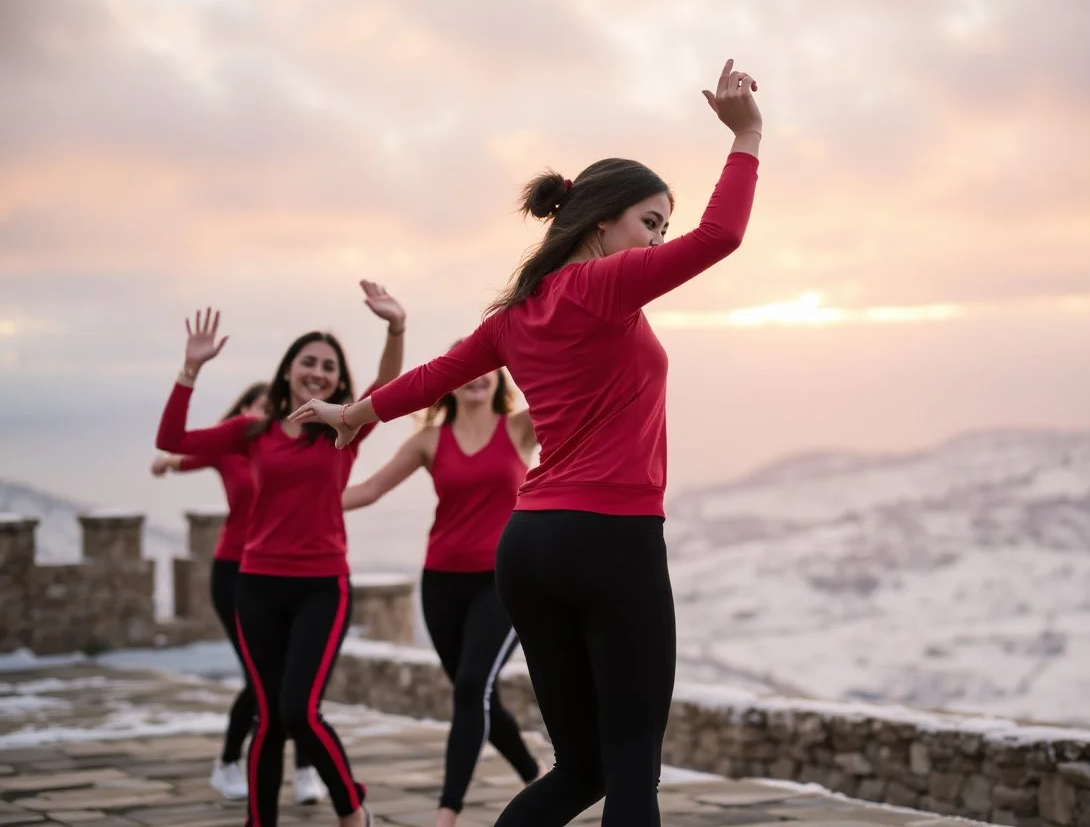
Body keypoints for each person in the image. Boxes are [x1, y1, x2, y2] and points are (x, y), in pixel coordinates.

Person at [290, 60, 762, 827]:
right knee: (633, 768)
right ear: (601, 220)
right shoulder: (602, 288)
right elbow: (724, 234)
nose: (658, 241)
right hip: (611, 538)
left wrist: (359, 415)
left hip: (529, 545)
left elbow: (440, 373)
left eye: (662, 229)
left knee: (582, 769)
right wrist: (747, 136)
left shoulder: (519, 313)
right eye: (650, 222)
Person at [157, 280, 407, 827]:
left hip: (322, 588)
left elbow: (388, 385)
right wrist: (190, 370)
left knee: (298, 710)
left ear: (339, 380)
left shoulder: (344, 427)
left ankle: (351, 808)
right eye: (308, 362)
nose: (318, 371)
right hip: (257, 587)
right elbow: (172, 439)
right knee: (268, 718)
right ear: (288, 370)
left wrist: (395, 327)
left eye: (329, 366)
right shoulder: (253, 431)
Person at [342, 355, 544, 827]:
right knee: (474, 692)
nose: (476, 377)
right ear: (449, 384)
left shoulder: (520, 428)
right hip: (441, 583)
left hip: (504, 582)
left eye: (485, 369)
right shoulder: (429, 440)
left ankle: (446, 813)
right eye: (466, 371)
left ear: (498, 377)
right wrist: (297, 509)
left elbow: (572, 391)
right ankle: (535, 777)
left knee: (473, 686)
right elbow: (370, 489)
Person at [150, 381, 329, 807]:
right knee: (262, 677)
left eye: (272, 406)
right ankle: (228, 762)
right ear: (243, 411)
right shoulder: (234, 444)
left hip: (285, 571)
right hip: (235, 572)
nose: (266, 412)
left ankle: (305, 769)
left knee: (299, 676)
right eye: (259, 405)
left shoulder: (286, 448)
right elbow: (187, 454)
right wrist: (168, 463)